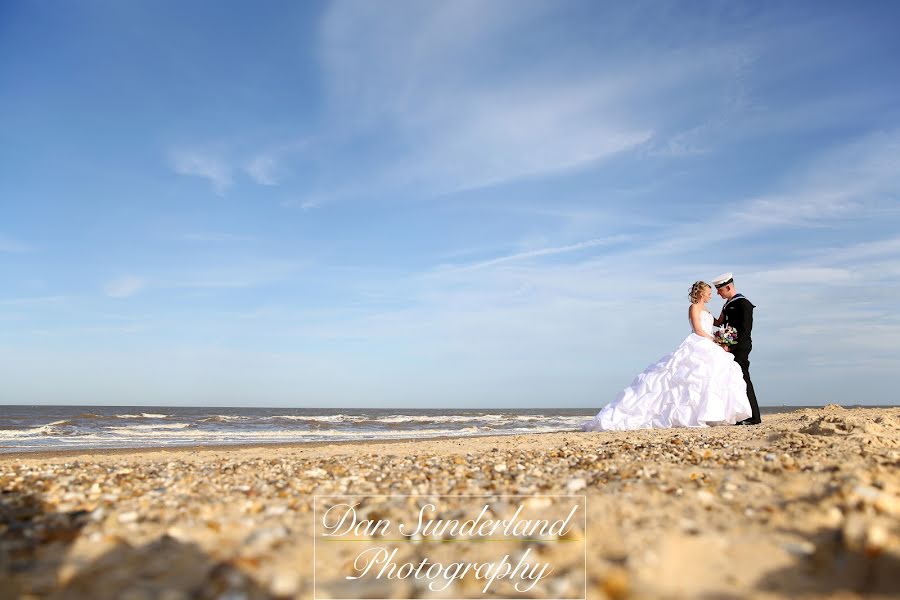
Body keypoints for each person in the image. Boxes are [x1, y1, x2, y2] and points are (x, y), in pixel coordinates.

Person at [582, 281, 752, 431]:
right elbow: (699, 330)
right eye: (708, 293)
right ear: (701, 293)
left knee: (710, 378)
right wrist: (714, 339)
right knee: (689, 378)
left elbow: (717, 322)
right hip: (699, 342)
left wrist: (726, 311)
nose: (710, 296)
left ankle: (710, 413)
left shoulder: (706, 309)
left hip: (709, 344)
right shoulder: (694, 307)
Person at [712, 272, 761, 425]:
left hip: (739, 348)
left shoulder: (743, 303)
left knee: (744, 379)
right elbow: (721, 323)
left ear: (728, 287)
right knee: (734, 381)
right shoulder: (728, 303)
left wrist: (731, 347)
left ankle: (755, 416)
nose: (718, 293)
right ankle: (740, 414)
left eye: (720, 290)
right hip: (729, 347)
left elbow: (745, 330)